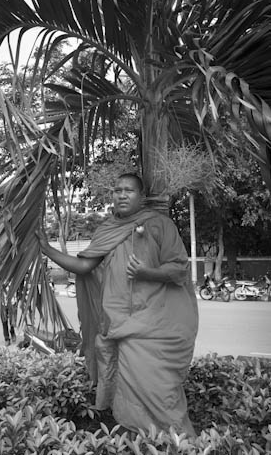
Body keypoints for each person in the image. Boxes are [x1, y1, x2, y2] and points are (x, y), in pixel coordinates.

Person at [38, 173, 198, 435]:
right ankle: (140, 442)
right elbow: (83, 266)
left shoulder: (161, 225)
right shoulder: (107, 230)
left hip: (156, 327)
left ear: (142, 196)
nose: (122, 195)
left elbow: (179, 270)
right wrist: (48, 249)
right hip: (121, 326)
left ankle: (179, 444)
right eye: (117, 190)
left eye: (129, 190)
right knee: (128, 396)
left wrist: (148, 272)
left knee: (160, 393)